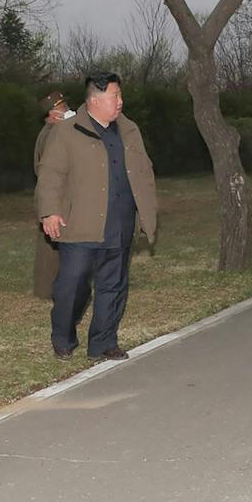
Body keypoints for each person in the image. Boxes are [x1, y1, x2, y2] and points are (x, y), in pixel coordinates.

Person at [35, 72, 158, 361]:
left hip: (120, 223)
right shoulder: (66, 132)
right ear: (94, 100)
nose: (120, 102)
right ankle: (63, 336)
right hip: (80, 224)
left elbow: (144, 171)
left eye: (119, 95)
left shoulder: (129, 131)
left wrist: (146, 211)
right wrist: (50, 211)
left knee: (113, 286)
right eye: (115, 96)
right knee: (72, 284)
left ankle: (104, 342)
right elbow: (50, 174)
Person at [31, 91, 73, 300]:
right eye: (61, 109)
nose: (65, 111)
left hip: (55, 194)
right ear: (52, 114)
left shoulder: (55, 131)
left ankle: (50, 288)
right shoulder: (50, 134)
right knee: (52, 248)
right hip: (54, 196)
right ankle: (49, 290)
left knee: (53, 245)